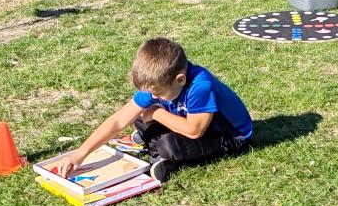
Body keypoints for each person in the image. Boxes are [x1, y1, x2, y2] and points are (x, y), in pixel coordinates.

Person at [54, 38, 254, 184]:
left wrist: (156, 113)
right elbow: (118, 120)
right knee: (140, 118)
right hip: (188, 121)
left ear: (180, 79)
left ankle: (163, 154)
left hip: (228, 135)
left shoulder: (200, 86)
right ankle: (157, 146)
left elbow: (194, 131)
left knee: (169, 145)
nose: (153, 95)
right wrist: (80, 154)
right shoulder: (159, 83)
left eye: (157, 93)